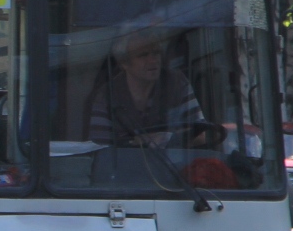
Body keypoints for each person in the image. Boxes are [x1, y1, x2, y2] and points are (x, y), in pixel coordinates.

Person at [86, 28, 214, 147]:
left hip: (173, 168)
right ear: (124, 63)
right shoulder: (107, 95)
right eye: (143, 55)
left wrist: (166, 138)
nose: (153, 60)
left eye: (156, 53)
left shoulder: (177, 83)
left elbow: (201, 137)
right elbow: (100, 147)